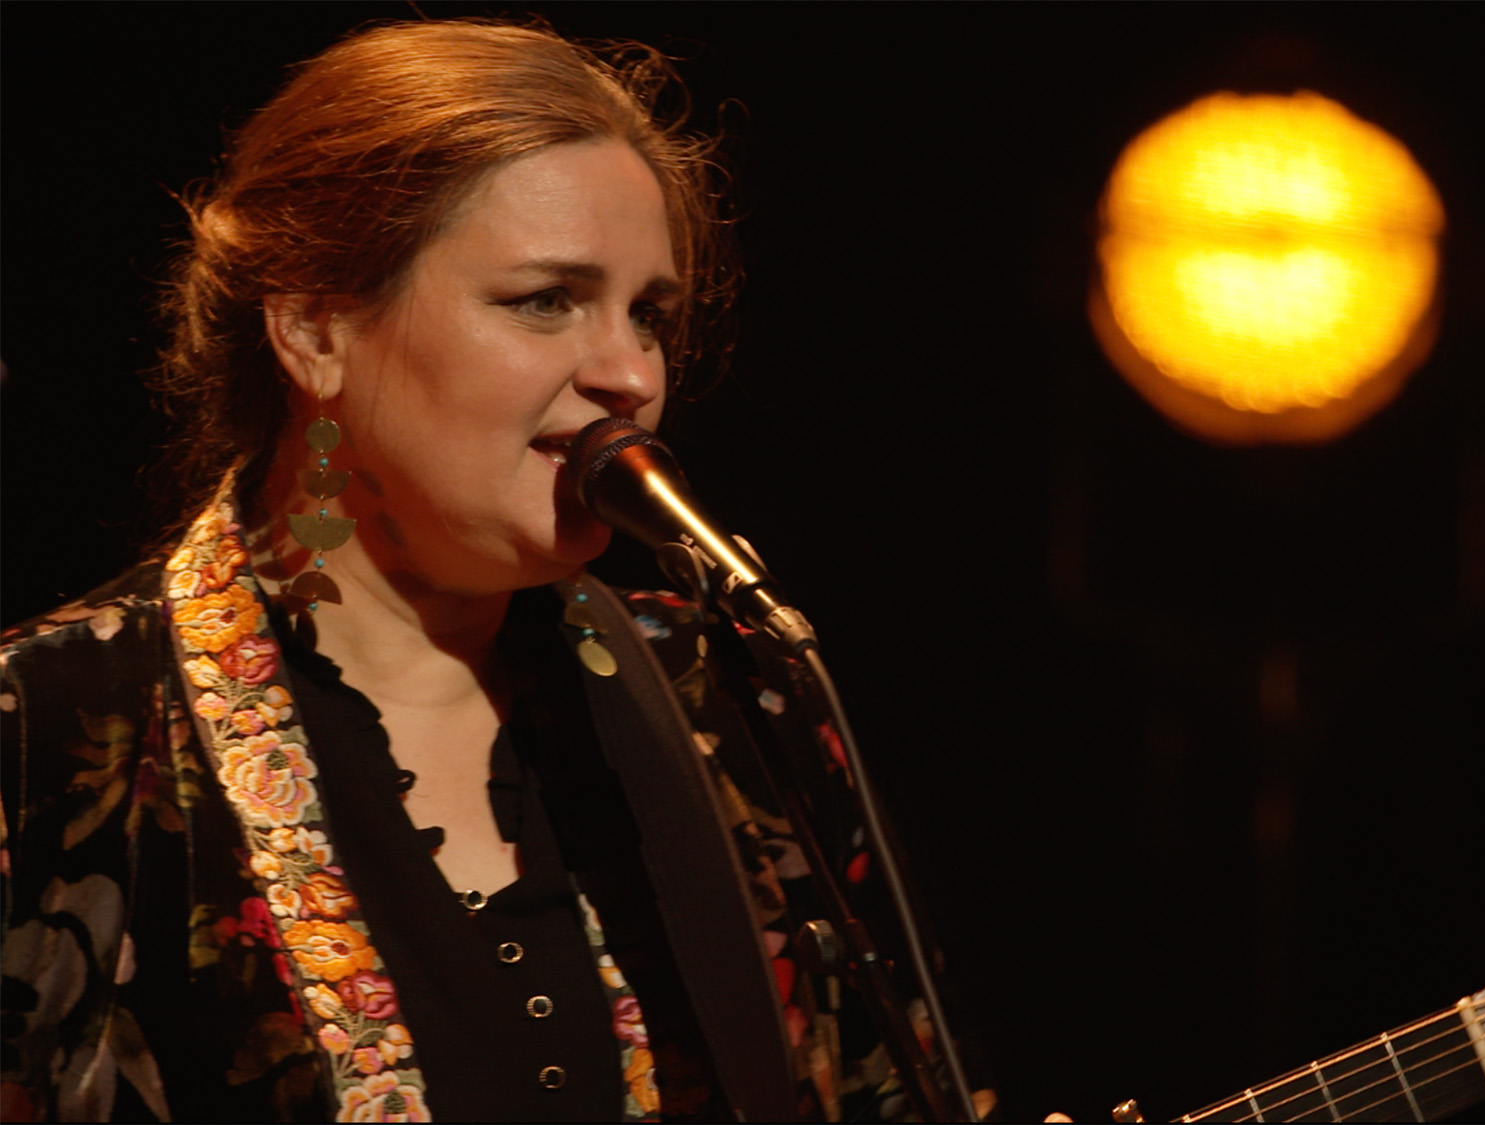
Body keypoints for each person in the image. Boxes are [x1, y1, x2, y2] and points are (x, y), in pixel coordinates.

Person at [0, 19, 975, 1123]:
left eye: (648, 315)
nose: (627, 374)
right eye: (545, 300)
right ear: (316, 328)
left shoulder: (726, 694)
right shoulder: (48, 729)